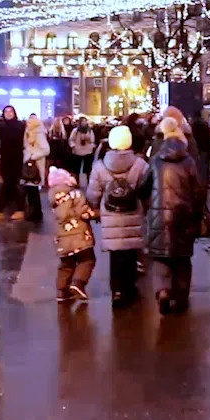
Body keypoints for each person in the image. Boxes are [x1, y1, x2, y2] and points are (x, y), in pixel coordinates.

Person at [141, 117, 206, 315]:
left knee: (161, 258)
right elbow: (199, 190)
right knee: (183, 259)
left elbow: (143, 187)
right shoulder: (188, 162)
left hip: (158, 216)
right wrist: (198, 211)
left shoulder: (156, 161)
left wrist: (148, 204)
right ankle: (181, 297)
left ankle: (162, 291)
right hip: (183, 215)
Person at [87, 125, 148, 308]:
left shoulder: (100, 166)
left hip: (111, 214)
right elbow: (147, 191)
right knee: (130, 254)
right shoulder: (140, 165)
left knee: (116, 256)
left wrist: (96, 208)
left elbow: (93, 194)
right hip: (133, 213)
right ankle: (130, 289)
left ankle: (117, 292)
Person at [46, 166, 96, 301]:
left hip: (62, 238)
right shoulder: (76, 194)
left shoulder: (53, 199)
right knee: (87, 260)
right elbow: (83, 213)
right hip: (80, 235)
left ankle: (62, 291)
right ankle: (78, 283)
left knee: (66, 264)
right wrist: (95, 214)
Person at [0, 105, 27, 221]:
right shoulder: (1, 126)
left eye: (10, 111)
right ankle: (0, 210)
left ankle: (18, 210)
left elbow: (25, 141)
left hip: (18, 159)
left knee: (16, 185)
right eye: (6, 111)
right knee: (6, 184)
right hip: (5, 159)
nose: (8, 113)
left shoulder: (21, 125)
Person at [22, 114, 50, 222]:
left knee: (33, 189)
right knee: (30, 189)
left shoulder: (38, 134)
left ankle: (36, 213)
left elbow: (46, 149)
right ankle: (34, 212)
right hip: (30, 163)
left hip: (35, 165)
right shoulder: (28, 132)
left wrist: (32, 156)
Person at [68, 117, 97, 187]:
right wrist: (73, 146)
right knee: (76, 168)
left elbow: (93, 140)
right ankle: (76, 182)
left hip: (88, 151)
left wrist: (91, 143)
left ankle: (89, 182)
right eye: (82, 121)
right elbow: (71, 139)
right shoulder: (75, 130)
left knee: (88, 168)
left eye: (85, 121)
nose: (84, 123)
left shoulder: (89, 130)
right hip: (78, 151)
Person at [191, 111, 210, 185]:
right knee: (205, 165)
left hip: (196, 147)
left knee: (198, 165)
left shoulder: (192, 125)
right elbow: (209, 137)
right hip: (205, 147)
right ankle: (205, 181)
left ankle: (199, 181)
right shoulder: (205, 124)